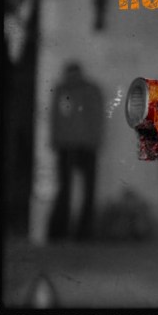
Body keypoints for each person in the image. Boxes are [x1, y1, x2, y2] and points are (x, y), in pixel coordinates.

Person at [47, 61, 104, 241]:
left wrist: (56, 140)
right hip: (77, 145)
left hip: (74, 145)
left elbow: (56, 118)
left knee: (72, 189)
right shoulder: (74, 90)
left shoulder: (65, 90)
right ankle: (78, 232)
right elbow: (56, 118)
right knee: (78, 190)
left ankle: (69, 231)